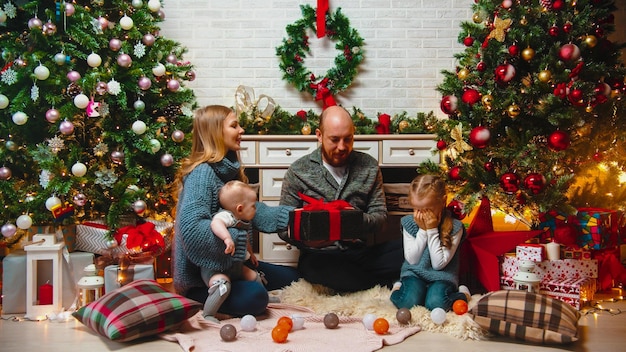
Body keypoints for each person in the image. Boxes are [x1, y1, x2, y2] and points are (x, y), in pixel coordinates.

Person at [173, 105, 299, 321]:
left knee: (294, 278)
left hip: (234, 266)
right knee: (257, 298)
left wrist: (296, 216)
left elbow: (252, 211)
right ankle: (205, 302)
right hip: (202, 279)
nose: (241, 130)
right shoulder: (202, 174)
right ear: (215, 133)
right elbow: (192, 230)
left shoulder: (228, 172)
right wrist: (239, 241)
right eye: (234, 126)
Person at [279, 105, 403, 293]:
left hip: (359, 253)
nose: (342, 147)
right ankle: (383, 284)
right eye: (334, 140)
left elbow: (380, 217)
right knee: (318, 270)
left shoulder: (369, 166)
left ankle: (365, 282)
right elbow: (282, 225)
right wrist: (309, 239)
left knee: (409, 249)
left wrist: (354, 220)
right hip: (319, 256)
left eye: (348, 139)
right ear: (319, 135)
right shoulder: (298, 171)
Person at [390, 174, 468, 311]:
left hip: (442, 276)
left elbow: (438, 265)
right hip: (414, 273)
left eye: (427, 210)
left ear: (443, 202)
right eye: (416, 209)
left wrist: (431, 230)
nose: (421, 215)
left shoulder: (455, 227)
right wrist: (422, 230)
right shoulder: (409, 223)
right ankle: (398, 286)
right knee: (408, 302)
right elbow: (413, 260)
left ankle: (462, 293)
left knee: (436, 304)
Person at [210, 180, 261, 283]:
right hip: (220, 266)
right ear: (240, 209)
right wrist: (227, 238)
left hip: (237, 265)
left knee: (255, 277)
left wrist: (251, 254)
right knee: (221, 283)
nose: (255, 209)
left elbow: (245, 240)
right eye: (253, 206)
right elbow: (216, 223)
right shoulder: (226, 216)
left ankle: (263, 294)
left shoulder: (241, 221)